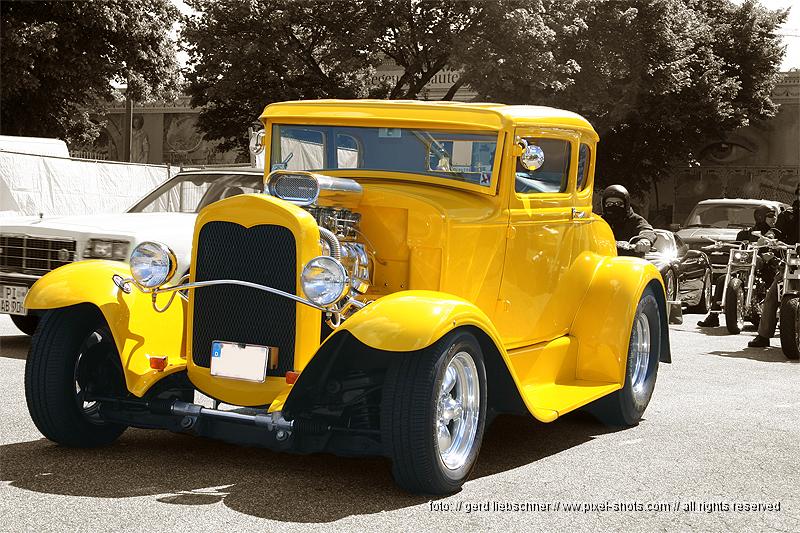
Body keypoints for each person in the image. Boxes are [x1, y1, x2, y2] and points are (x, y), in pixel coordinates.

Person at [698, 204, 778, 328]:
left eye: (775, 216)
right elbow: (737, 245)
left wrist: (771, 253)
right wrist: (721, 245)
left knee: (776, 283)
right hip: (746, 266)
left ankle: (777, 316)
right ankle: (713, 316)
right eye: (771, 216)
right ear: (761, 217)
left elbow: (780, 248)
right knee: (722, 280)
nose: (774, 218)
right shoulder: (745, 233)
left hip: (767, 268)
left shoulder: (775, 233)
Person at [748, 186, 799, 347]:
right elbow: (776, 230)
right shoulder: (787, 215)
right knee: (772, 295)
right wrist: (769, 237)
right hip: (792, 261)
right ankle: (763, 335)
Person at [601, 184, 656, 253]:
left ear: (626, 204)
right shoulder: (600, 221)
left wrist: (644, 240)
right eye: (609, 204)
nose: (614, 207)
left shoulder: (635, 219)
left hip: (630, 258)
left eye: (619, 203)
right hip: (603, 258)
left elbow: (646, 230)